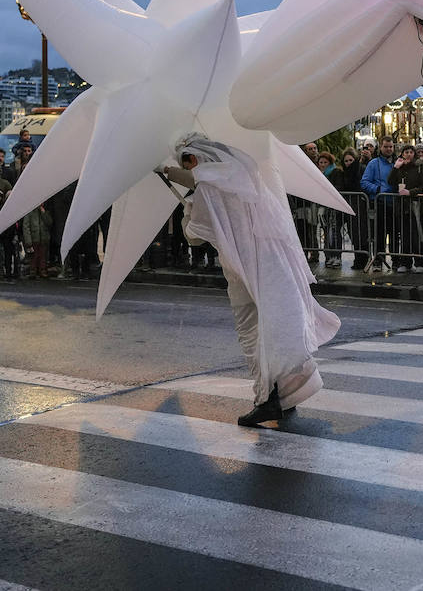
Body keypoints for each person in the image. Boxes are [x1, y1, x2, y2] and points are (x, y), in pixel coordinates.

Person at [163, 134, 341, 427]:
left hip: (246, 269)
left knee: (254, 332)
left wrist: (189, 205)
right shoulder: (237, 177)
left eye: (189, 161)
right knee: (273, 327)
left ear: (198, 158)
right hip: (269, 266)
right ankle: (285, 395)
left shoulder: (211, 185)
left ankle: (268, 399)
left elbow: (194, 235)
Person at [360, 136, 398, 270]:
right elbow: (364, 182)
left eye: (391, 146)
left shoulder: (398, 162)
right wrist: (377, 189)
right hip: (380, 203)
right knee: (379, 234)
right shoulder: (373, 163)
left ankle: (396, 261)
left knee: (394, 235)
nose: (388, 149)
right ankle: (378, 261)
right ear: (380, 147)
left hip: (396, 204)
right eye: (386, 146)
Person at [387, 144, 423, 271]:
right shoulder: (400, 167)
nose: (408, 154)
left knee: (416, 234)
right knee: (404, 236)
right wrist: (395, 168)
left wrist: (411, 192)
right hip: (402, 206)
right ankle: (405, 262)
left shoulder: (419, 167)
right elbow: (390, 182)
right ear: (402, 154)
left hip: (415, 205)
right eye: (406, 152)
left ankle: (419, 262)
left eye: (410, 152)